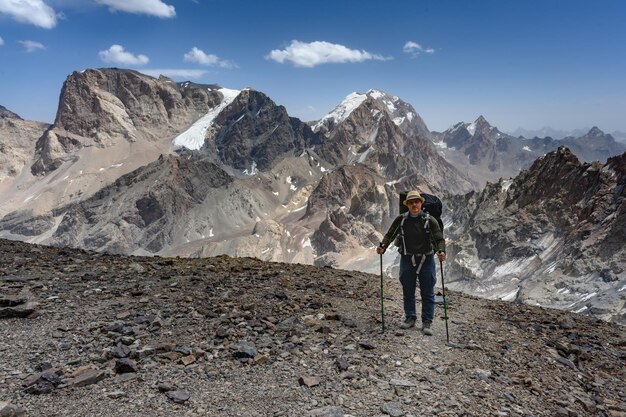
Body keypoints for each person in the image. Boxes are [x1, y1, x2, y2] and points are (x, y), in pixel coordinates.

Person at [376, 190, 446, 335]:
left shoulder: (429, 220)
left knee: (427, 291)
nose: (414, 204)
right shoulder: (401, 219)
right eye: (411, 202)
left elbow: (439, 238)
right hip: (407, 258)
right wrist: (383, 246)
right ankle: (410, 317)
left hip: (426, 259)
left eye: (417, 201)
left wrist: (441, 251)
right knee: (408, 289)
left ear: (421, 203)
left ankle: (427, 321)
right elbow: (390, 234)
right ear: (407, 204)